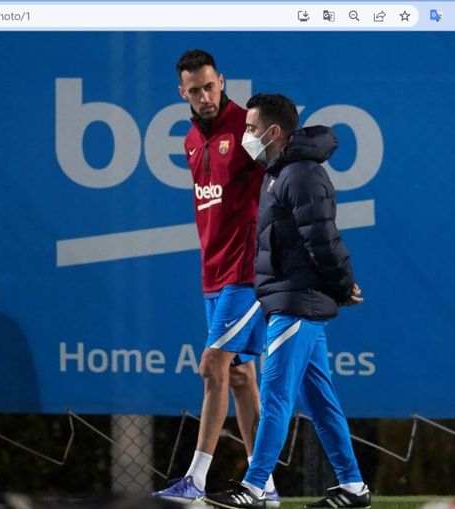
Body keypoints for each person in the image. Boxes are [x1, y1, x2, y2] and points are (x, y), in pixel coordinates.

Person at [203, 94, 370, 509]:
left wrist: (342, 285)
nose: (245, 135)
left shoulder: (299, 175)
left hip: (298, 303)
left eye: (250, 128)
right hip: (296, 300)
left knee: (276, 395)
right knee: (320, 400)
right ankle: (353, 487)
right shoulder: (280, 172)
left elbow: (323, 240)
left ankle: (256, 486)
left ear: (273, 132)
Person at [152, 49, 279, 506]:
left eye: (210, 86)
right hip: (213, 272)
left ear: (221, 81)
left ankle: (196, 481)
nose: (204, 96)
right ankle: (264, 484)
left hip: (246, 271)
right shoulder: (188, 139)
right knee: (242, 378)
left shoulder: (247, 127)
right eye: (194, 90)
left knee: (212, 366)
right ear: (181, 92)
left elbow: (284, 171)